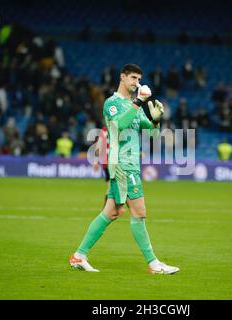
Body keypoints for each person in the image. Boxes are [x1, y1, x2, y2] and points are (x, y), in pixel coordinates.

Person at [69, 64, 179, 274]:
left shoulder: (133, 105)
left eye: (139, 79)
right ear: (122, 77)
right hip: (122, 165)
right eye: (133, 78)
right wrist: (139, 102)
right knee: (139, 212)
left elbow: (153, 134)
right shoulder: (113, 103)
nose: (137, 83)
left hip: (129, 165)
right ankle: (154, 265)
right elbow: (119, 124)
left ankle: (79, 256)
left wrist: (156, 120)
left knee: (111, 212)